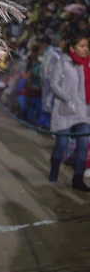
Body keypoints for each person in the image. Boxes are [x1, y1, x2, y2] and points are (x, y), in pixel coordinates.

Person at [48, 34, 90, 191]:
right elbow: (54, 83)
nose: (85, 49)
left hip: (84, 112)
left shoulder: (88, 64)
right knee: (62, 144)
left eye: (86, 46)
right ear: (72, 48)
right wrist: (67, 98)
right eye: (81, 46)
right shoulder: (63, 62)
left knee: (84, 144)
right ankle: (54, 172)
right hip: (65, 110)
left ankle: (77, 179)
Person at [39, 34, 66, 128]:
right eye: (63, 41)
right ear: (59, 42)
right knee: (51, 105)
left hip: (47, 83)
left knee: (46, 104)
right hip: (53, 84)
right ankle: (48, 126)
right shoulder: (57, 55)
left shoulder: (49, 52)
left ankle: (43, 125)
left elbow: (43, 70)